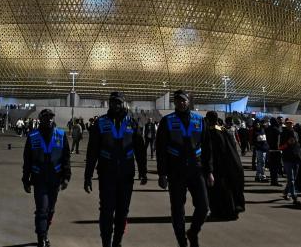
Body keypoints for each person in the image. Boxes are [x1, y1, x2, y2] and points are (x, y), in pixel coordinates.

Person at [84, 92, 147, 247]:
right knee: (106, 211)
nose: (116, 105)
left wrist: (143, 171)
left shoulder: (132, 123)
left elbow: (140, 149)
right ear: (109, 103)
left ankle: (117, 242)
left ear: (123, 104)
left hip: (126, 175)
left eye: (118, 103)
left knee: (122, 212)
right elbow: (92, 152)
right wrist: (88, 176)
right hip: (106, 174)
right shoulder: (100, 123)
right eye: (113, 102)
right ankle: (106, 243)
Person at [156, 90, 212, 247]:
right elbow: (160, 149)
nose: (181, 103)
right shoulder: (167, 121)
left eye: (184, 100)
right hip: (176, 170)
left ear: (189, 101)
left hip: (196, 169)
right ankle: (182, 241)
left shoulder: (200, 120)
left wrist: (209, 171)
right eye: (178, 100)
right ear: (174, 102)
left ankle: (193, 231)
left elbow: (207, 148)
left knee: (203, 206)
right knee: (177, 209)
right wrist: (162, 174)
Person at [22, 109, 71, 247]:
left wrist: (66, 177)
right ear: (40, 119)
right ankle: (41, 238)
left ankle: (45, 232)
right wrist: (26, 179)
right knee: (42, 209)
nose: (49, 119)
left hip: (55, 178)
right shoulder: (33, 136)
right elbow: (27, 160)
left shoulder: (61, 135)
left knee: (51, 210)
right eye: (46, 117)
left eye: (51, 117)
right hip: (39, 178)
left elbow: (66, 158)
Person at [205, 111, 244, 221]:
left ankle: (220, 212)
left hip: (218, 166)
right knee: (229, 189)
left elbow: (212, 151)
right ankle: (231, 210)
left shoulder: (211, 132)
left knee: (217, 191)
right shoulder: (223, 130)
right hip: (229, 163)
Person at [279, 120, 301, 205]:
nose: (290, 125)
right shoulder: (283, 134)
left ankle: (285, 192)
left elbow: (298, 145)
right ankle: (294, 197)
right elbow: (280, 147)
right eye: (288, 123)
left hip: (296, 158)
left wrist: (300, 154)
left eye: (291, 124)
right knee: (291, 179)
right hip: (287, 158)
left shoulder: (296, 134)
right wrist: (287, 144)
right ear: (286, 124)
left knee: (293, 179)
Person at [265, 117, 282, 186]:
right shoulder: (277, 130)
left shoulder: (267, 129)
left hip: (269, 150)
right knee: (276, 166)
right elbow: (278, 140)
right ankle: (275, 181)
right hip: (276, 150)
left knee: (271, 167)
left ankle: (272, 181)